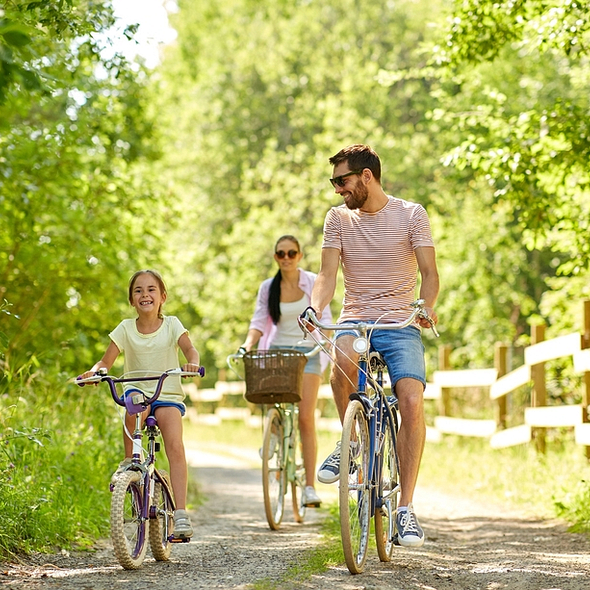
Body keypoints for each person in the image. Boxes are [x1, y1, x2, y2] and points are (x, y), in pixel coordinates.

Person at [308, 144, 439, 548]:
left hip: (401, 322)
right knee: (340, 361)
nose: (337, 190)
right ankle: (351, 441)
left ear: (367, 177)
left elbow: (430, 272)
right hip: (356, 318)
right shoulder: (338, 219)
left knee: (411, 399)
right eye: (334, 182)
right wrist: (315, 309)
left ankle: (406, 509)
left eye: (342, 181)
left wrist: (426, 307)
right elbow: (327, 276)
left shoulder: (412, 214)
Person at [80, 269, 201, 540]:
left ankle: (181, 513)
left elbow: (189, 349)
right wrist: (96, 372)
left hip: (166, 391)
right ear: (131, 300)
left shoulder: (172, 325)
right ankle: (129, 463)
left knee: (174, 443)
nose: (145, 294)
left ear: (162, 297)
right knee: (132, 408)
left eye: (151, 290)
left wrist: (192, 361)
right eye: (138, 291)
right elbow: (105, 362)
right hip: (138, 389)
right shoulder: (125, 329)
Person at [241, 235, 333, 508]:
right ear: (275, 258)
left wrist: (325, 341)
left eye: (291, 253)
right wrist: (248, 344)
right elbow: (258, 320)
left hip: (308, 354)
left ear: (300, 256)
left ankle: (309, 488)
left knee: (305, 418)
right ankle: (274, 436)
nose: (286, 258)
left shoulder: (313, 282)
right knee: (273, 403)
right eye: (281, 254)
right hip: (278, 352)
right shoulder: (268, 288)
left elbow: (325, 320)